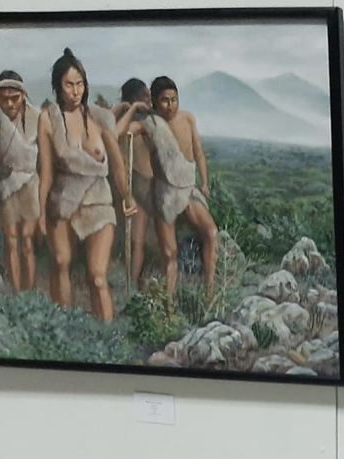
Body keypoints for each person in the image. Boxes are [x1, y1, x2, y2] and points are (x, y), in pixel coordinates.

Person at [37, 49, 136, 321]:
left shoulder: (99, 117)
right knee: (60, 263)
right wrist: (41, 212)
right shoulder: (48, 119)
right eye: (69, 84)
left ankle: (107, 335)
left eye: (79, 84)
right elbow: (46, 173)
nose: (75, 91)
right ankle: (64, 327)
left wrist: (127, 197)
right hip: (63, 199)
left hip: (98, 201)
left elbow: (118, 166)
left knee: (98, 276)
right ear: (58, 86)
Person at [145, 75, 218, 300]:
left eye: (174, 99)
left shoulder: (187, 118)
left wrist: (204, 182)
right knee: (170, 253)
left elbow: (198, 152)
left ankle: (209, 292)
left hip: (188, 188)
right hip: (166, 192)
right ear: (155, 102)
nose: (170, 105)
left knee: (211, 232)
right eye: (165, 100)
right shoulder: (151, 124)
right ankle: (166, 305)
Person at [0, 71, 41, 293]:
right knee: (11, 240)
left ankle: (30, 293)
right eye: (3, 98)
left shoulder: (35, 117)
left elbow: (29, 154)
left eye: (14, 98)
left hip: (31, 183)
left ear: (23, 95)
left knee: (27, 240)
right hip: (6, 184)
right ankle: (16, 294)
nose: (9, 104)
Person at [111, 78, 156, 285]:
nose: (148, 101)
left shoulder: (150, 121)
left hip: (147, 184)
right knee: (128, 238)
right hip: (126, 184)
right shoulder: (122, 118)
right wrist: (129, 108)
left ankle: (134, 281)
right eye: (143, 97)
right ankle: (126, 281)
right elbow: (115, 132)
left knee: (138, 240)